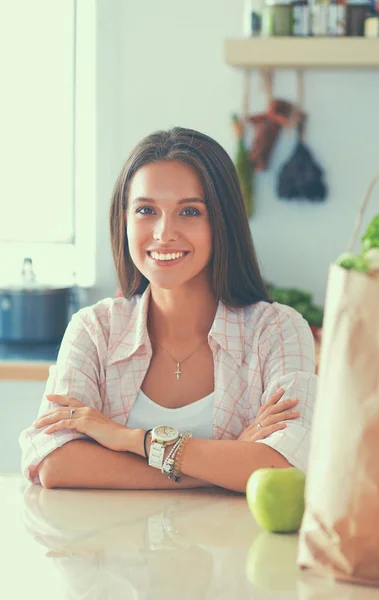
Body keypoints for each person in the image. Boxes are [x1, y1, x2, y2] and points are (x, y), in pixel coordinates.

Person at [19, 127, 317, 493]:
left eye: (190, 211)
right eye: (146, 210)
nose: (164, 232)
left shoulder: (278, 331)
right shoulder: (95, 329)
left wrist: (132, 440)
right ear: (124, 221)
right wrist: (228, 461)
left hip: (234, 549)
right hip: (111, 547)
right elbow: (55, 462)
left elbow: (286, 465)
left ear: (222, 222)